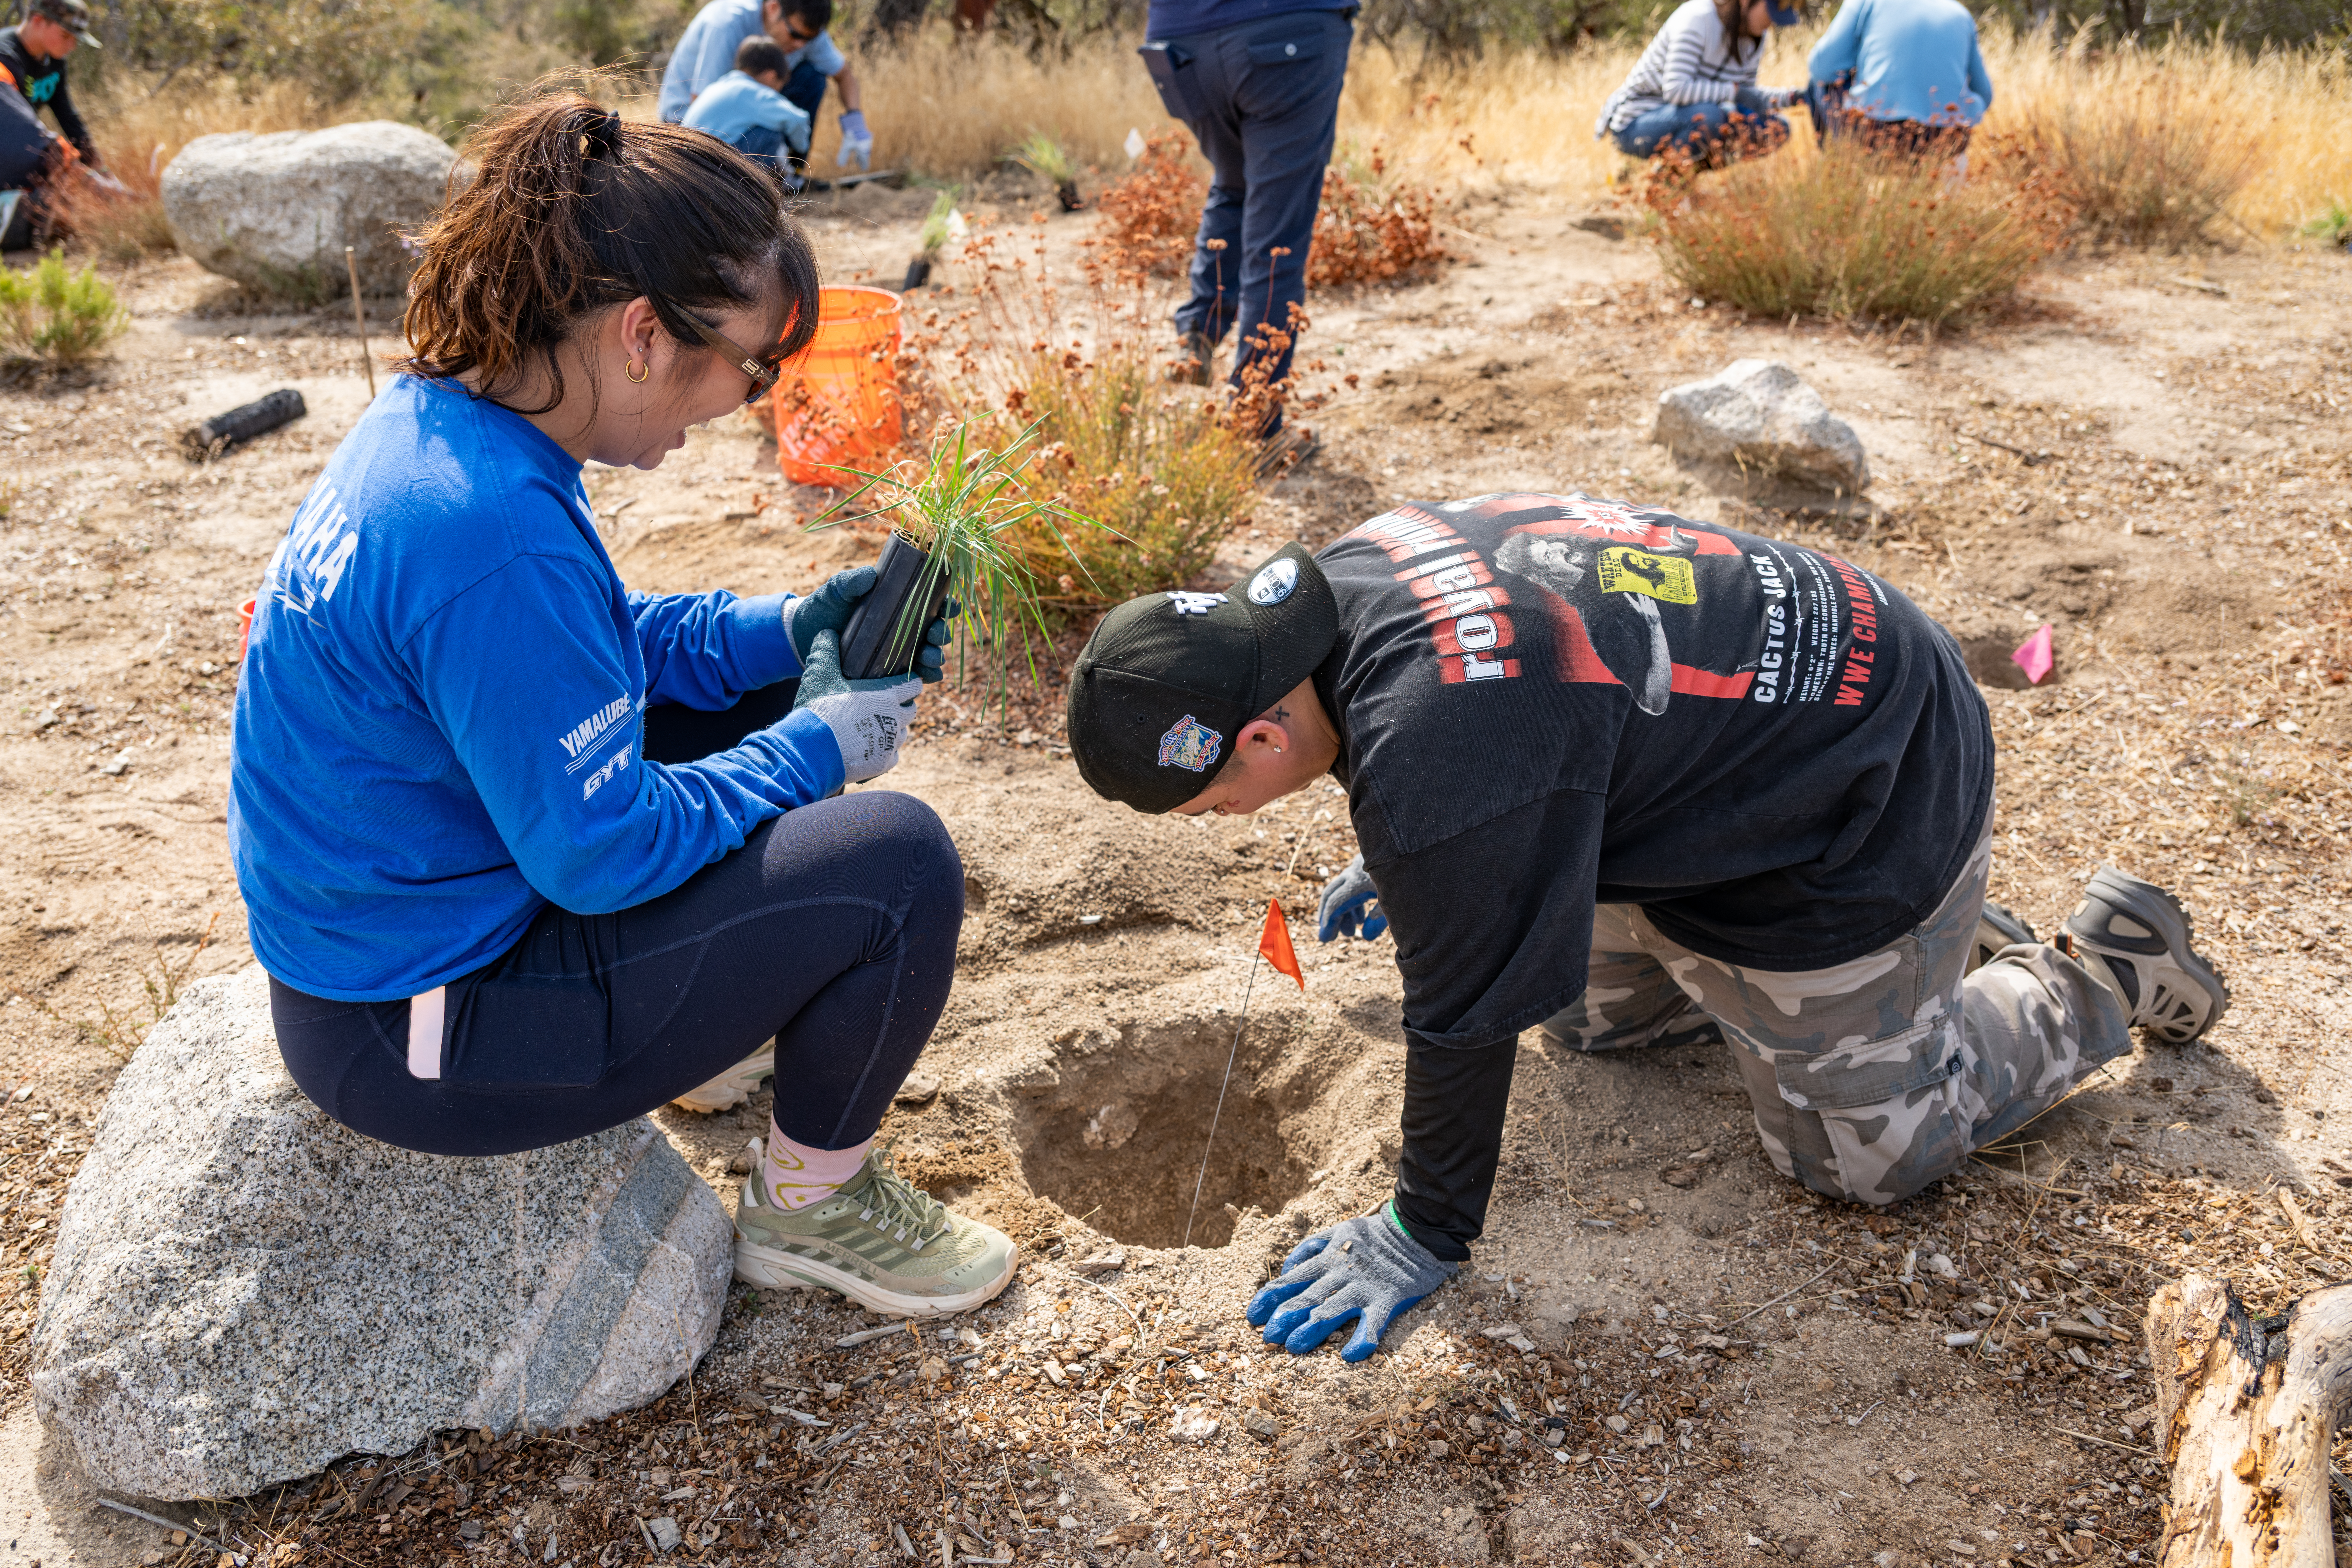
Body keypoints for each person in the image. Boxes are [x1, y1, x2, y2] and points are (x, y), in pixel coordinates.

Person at [1063, 494, 2230, 1362]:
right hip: (1729, 758)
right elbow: (1520, 700)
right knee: (1581, 1019)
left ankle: (2086, 973)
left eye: (1212, 801)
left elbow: (1461, 1017)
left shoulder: (1440, 761)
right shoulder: (1343, 579)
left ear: (1257, 738)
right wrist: (1420, 849)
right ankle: (1910, 970)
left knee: (1863, 1161)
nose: (1225, 819)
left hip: (1865, 801)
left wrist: (1423, 1229)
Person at [230, 89, 1016, 1321]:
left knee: (740, 696)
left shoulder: (450, 427)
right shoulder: (490, 534)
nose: (734, 411)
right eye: (745, 371)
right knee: (897, 867)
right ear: (644, 334)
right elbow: (602, 852)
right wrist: (815, 748)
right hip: (418, 1042)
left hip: (393, 961)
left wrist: (788, 634)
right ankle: (815, 1209)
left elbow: (584, 657)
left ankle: (708, 1030)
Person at [1137, 0, 1356, 446]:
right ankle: (1253, 431)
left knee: (1234, 182)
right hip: (1285, 37)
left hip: (1179, 43)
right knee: (1277, 236)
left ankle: (1197, 334)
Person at [659, 0, 871, 176]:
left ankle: (791, 175)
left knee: (812, 77)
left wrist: (856, 126)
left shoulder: (806, 30)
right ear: (773, 7)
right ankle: (749, 189)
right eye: (796, 35)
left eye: (810, 40)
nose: (801, 46)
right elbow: (702, 105)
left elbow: (844, 75)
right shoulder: (727, 24)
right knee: (770, 133)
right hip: (684, 128)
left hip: (741, 107)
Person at [1595, 0, 1803, 166]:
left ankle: (1678, 177)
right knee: (1709, 117)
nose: (1772, 23)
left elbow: (1746, 96)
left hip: (1695, 116)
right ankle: (1667, 188)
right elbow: (1676, 90)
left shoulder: (1756, 36)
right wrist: (1733, 93)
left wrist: (1794, 98)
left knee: (1776, 128)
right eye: (1770, 11)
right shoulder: (1697, 18)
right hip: (1635, 123)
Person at [1805, 0, 1992, 159]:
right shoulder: (1960, 13)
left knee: (1819, 85)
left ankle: (1837, 169)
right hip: (1947, 139)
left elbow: (1821, 68)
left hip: (1875, 135)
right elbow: (1985, 95)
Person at [682, 36, 814, 175]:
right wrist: (800, 153)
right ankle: (750, 190)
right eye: (778, 86)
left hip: (688, 163)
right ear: (771, 76)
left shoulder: (722, 84)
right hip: (709, 168)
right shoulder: (753, 92)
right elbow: (798, 119)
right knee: (772, 134)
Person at [0, 0, 99, 168]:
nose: (72, 46)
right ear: (38, 21)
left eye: (75, 39)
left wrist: (99, 167)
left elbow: (67, 117)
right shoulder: (6, 57)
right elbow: (24, 129)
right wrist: (82, 175)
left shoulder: (54, 59)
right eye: (66, 36)